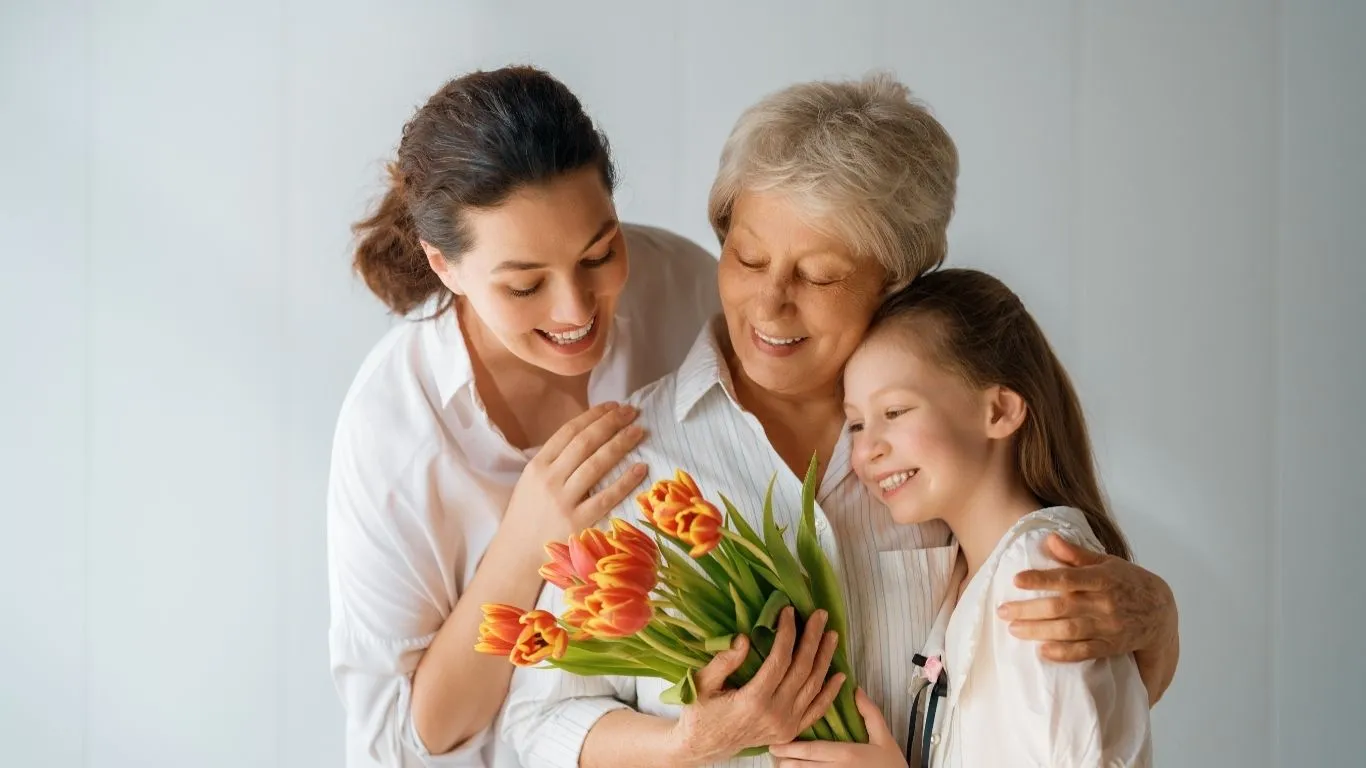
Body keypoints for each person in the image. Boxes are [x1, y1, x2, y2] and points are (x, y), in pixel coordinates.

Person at [501, 73, 1180, 768]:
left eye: (819, 276)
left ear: (897, 276)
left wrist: (1157, 624)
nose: (768, 306)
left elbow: (1055, 719)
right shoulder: (631, 460)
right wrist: (686, 741)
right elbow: (535, 728)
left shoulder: (941, 458)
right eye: (747, 257)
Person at [326, 65, 721, 768]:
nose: (575, 311)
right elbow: (407, 743)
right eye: (525, 285)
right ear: (444, 267)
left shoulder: (690, 295)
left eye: (599, 253)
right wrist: (528, 541)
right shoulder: (397, 428)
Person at [770, 267, 1152, 767]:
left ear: (998, 412)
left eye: (896, 412)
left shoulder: (1036, 577)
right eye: (857, 423)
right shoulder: (973, 576)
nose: (866, 452)